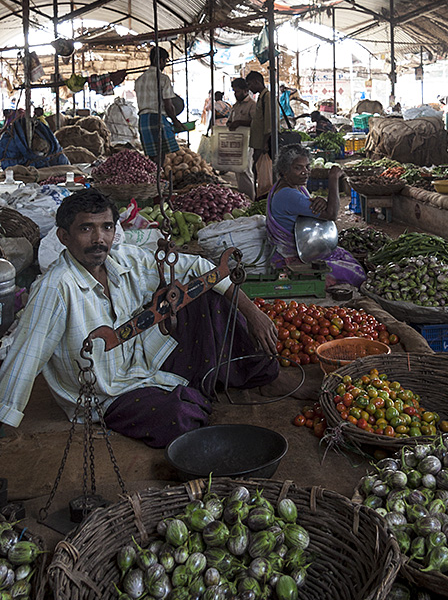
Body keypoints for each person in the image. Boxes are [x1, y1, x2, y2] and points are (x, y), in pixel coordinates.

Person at [0, 189, 279, 448]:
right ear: (63, 236)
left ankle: (259, 375)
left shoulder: (125, 261)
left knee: (210, 296)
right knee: (180, 416)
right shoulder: (56, 288)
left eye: (106, 227)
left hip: (144, 359)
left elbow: (199, 268)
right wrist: (5, 420)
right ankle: (193, 390)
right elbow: (25, 355)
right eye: (86, 228)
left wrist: (252, 312)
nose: (99, 239)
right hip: (106, 393)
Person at [266, 145, 366, 288]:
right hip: (293, 257)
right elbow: (331, 214)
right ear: (284, 170)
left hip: (304, 248)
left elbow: (314, 207)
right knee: (355, 273)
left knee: (345, 256)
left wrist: (323, 201)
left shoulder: (293, 187)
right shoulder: (288, 195)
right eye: (298, 168)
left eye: (307, 167)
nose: (305, 172)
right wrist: (333, 179)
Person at [134, 46, 184, 158]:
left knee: (151, 157)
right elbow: (168, 105)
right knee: (162, 155)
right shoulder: (163, 79)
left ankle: (152, 175)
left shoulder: (139, 80)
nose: (165, 64)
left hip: (143, 121)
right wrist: (175, 121)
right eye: (165, 61)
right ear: (161, 60)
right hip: (157, 119)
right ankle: (158, 175)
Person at [227, 77, 256, 201]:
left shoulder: (252, 105)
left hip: (248, 142)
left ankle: (250, 198)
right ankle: (243, 198)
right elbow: (230, 121)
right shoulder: (235, 106)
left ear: (245, 91)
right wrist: (230, 124)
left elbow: (255, 123)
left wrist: (239, 122)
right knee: (237, 170)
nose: (235, 94)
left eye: (237, 91)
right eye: (234, 91)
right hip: (236, 142)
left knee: (245, 170)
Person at [246, 70, 274, 198]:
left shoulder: (267, 97)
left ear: (256, 82)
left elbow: (269, 122)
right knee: (257, 170)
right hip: (258, 143)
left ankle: (263, 198)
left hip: (264, 144)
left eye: (250, 84)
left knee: (262, 172)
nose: (249, 88)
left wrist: (264, 144)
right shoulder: (261, 97)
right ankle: (259, 196)